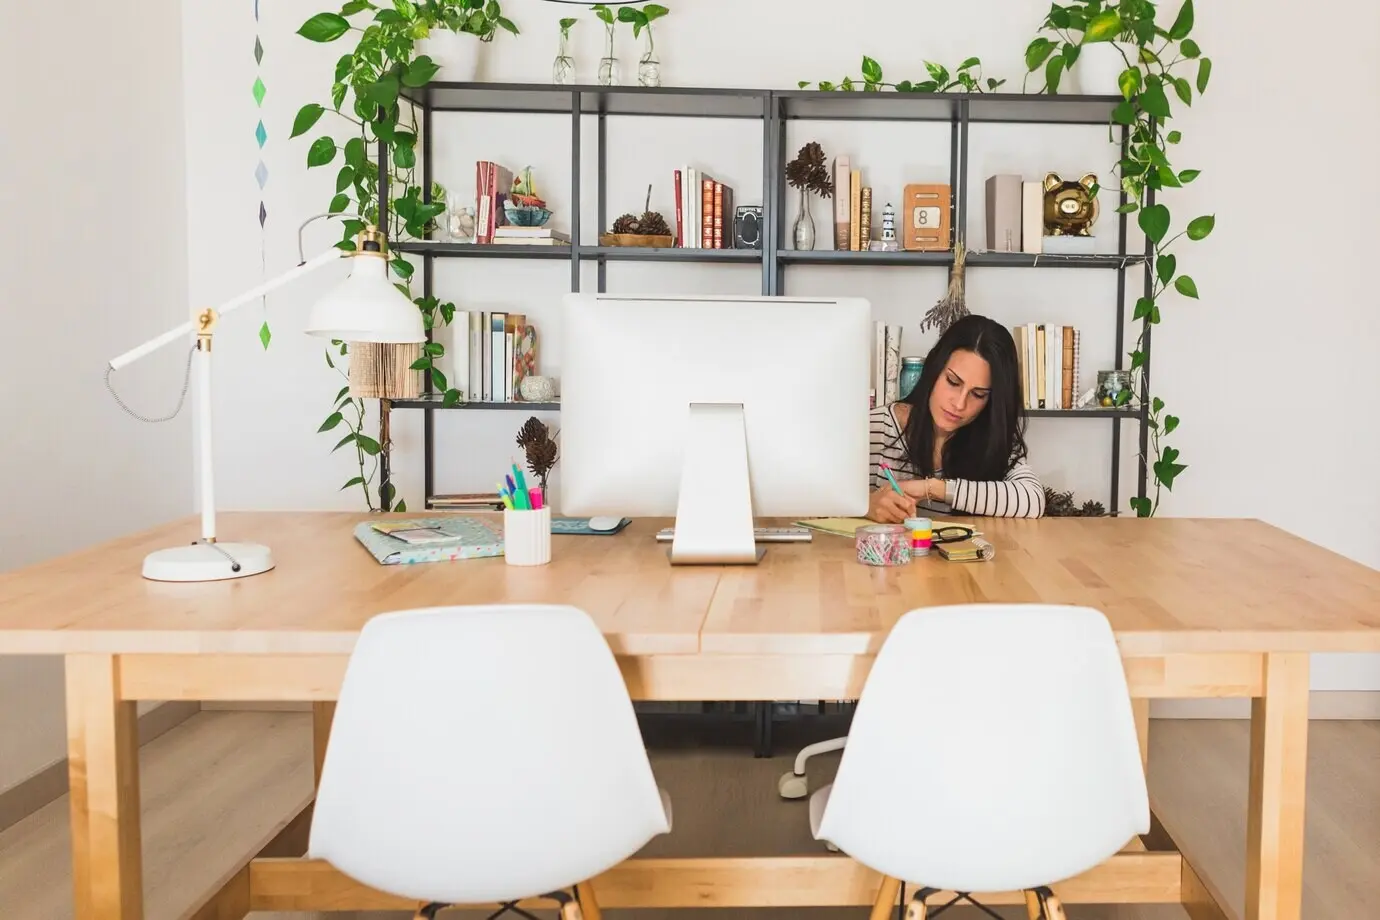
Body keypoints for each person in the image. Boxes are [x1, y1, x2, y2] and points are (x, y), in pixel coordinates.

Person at [868, 314, 1045, 522]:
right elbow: (823, 501)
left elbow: (1032, 499)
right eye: (953, 382)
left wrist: (933, 488)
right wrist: (867, 507)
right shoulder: (877, 427)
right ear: (934, 370)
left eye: (978, 394)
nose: (960, 404)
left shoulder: (991, 439)